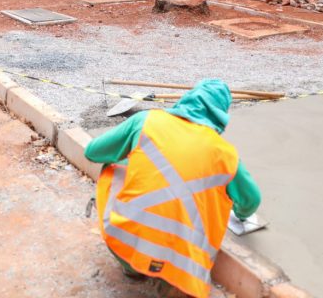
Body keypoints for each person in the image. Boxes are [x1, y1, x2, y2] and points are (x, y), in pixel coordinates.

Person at [85, 79, 261, 298]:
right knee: (214, 199)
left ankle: (132, 267)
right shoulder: (226, 154)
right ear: (221, 115)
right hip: (186, 263)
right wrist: (242, 216)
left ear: (187, 99)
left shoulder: (147, 120)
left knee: (116, 166)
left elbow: (93, 152)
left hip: (125, 239)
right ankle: (170, 278)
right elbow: (251, 199)